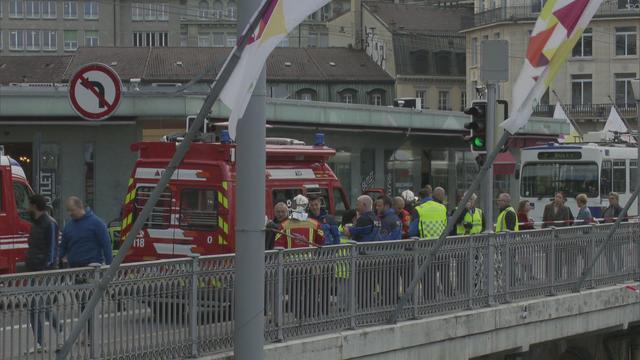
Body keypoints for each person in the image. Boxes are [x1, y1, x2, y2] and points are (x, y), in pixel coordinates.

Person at [26, 194, 61, 353]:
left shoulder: (50, 223)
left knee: (40, 307)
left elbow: (53, 250)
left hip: (44, 272)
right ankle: (42, 342)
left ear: (34, 206)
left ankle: (58, 333)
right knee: (38, 307)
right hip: (33, 271)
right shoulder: (36, 224)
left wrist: (45, 270)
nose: (27, 208)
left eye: (29, 205)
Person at [603, 192, 625, 273]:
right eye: (609, 198)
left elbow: (624, 222)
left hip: (617, 236)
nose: (610, 200)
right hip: (607, 235)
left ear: (617, 199)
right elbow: (602, 220)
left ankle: (620, 270)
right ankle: (611, 272)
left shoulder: (621, 210)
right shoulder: (607, 209)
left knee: (618, 253)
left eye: (612, 198)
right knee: (608, 255)